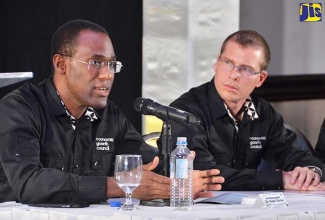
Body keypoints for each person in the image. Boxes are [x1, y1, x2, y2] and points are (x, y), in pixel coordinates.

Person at [0, 19, 224, 204]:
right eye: (96, 62)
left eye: (111, 64)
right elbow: (28, 182)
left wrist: (177, 176)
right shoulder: (19, 109)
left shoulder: (109, 115)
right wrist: (117, 186)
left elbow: (146, 164)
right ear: (61, 64)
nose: (107, 75)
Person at [157, 30, 325, 191]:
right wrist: (278, 180)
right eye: (228, 62)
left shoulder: (264, 112)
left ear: (260, 79)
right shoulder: (184, 111)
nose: (234, 75)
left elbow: (295, 156)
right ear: (217, 63)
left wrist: (309, 173)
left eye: (246, 69)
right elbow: (204, 175)